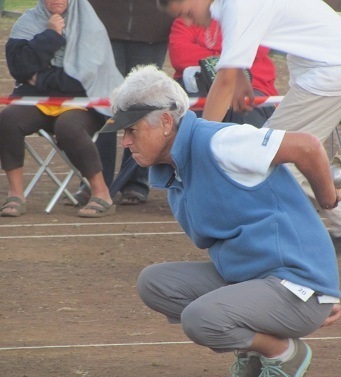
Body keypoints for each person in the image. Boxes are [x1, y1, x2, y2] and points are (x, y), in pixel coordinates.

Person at [100, 64, 341, 377]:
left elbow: (307, 146)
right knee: (155, 284)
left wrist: (328, 200)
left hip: (297, 283)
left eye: (132, 131)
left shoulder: (221, 141)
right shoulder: (173, 167)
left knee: (201, 318)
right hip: (255, 278)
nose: (125, 142)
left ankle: (283, 352)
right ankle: (253, 354)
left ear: (166, 122)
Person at [157, 0, 341, 238]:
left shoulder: (236, 6)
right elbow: (240, 49)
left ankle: (289, 237)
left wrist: (198, 139)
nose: (189, 22)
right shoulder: (229, 6)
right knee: (277, 156)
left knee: (274, 157)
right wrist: (240, 76)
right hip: (323, 67)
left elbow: (223, 82)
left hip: (328, 71)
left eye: (187, 13)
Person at [0, 0, 122, 218]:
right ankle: (16, 193)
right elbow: (18, 67)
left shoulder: (90, 25)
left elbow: (82, 80)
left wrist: (39, 78)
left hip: (82, 102)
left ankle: (101, 193)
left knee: (68, 127)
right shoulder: (28, 22)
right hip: (38, 101)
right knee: (7, 119)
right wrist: (50, 35)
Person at [88, 0, 174, 205]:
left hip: (153, 27)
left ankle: (136, 181)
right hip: (103, 25)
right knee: (103, 107)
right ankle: (97, 181)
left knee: (144, 106)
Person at [169, 17, 278, 127]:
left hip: (253, 86)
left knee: (243, 109)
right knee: (191, 113)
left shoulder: (251, 17)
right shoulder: (191, 15)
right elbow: (180, 55)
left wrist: (212, 56)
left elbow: (255, 50)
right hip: (200, 86)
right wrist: (230, 55)